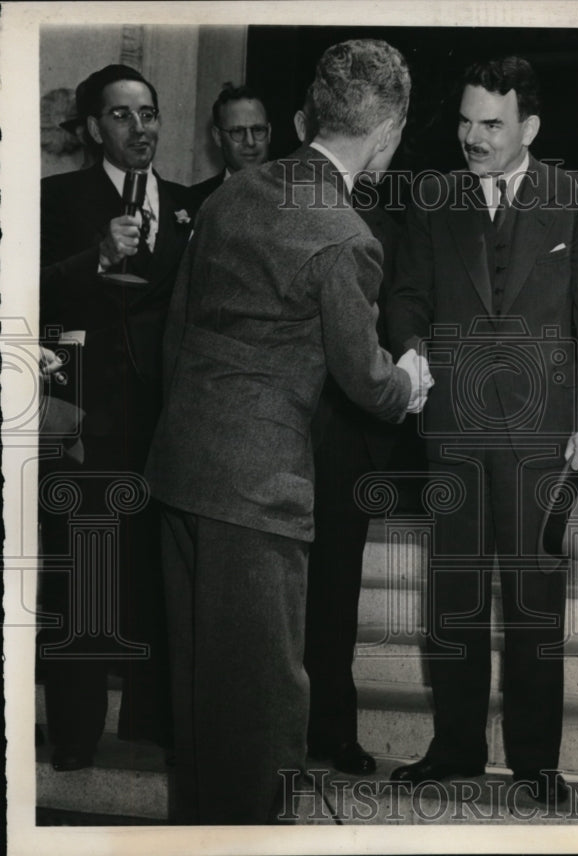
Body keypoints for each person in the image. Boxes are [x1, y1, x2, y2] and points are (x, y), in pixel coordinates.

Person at [144, 39, 429, 824]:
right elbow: (366, 380)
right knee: (264, 704)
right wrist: (411, 382)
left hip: (182, 470)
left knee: (200, 697)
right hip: (259, 491)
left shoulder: (232, 196)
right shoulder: (346, 235)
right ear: (388, 133)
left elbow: (177, 337)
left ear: (313, 115)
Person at [386, 55, 578, 807]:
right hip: (453, 424)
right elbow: (406, 297)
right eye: (464, 121)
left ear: (529, 126)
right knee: (451, 594)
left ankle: (535, 762)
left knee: (533, 601)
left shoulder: (573, 197)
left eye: (491, 123)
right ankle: (454, 748)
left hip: (542, 431)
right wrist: (412, 353)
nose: (473, 138)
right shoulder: (434, 197)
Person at [38, 63, 191, 771]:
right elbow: (28, 292)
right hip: (88, 417)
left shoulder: (189, 206)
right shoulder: (57, 198)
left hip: (169, 421)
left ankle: (153, 727)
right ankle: (74, 734)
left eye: (149, 113)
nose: (140, 127)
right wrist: (97, 258)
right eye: (122, 115)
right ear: (96, 128)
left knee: (159, 574)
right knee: (84, 573)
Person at [292, 95, 403, 775]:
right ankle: (275, 734)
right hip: (281, 431)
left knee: (335, 595)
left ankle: (332, 730)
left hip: (347, 433)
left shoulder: (383, 218)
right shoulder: (279, 205)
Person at [188, 82, 272, 214]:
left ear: (269, 133)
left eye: (258, 130)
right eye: (237, 132)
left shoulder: (292, 195)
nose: (250, 142)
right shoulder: (194, 201)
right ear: (217, 137)